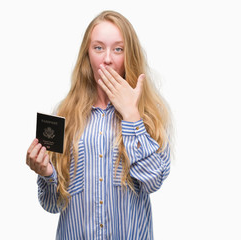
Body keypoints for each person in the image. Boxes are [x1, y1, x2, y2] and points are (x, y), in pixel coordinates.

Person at [26, 10, 173, 240]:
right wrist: (46, 173)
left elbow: (153, 181)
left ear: (129, 55)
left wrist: (131, 116)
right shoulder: (63, 116)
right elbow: (51, 204)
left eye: (118, 49)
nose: (107, 58)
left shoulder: (150, 115)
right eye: (98, 48)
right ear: (88, 55)